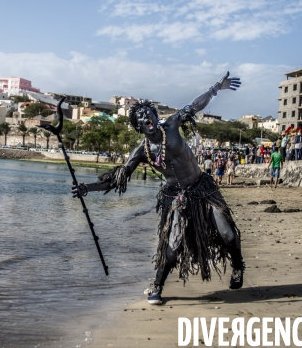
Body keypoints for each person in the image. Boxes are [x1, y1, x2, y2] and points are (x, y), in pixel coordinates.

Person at [71, 73, 245, 305]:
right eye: (141, 116)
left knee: (228, 234)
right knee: (172, 248)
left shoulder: (172, 124)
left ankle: (237, 266)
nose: (146, 116)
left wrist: (216, 88)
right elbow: (117, 179)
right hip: (176, 197)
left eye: (148, 112)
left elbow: (194, 106)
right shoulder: (141, 151)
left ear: (155, 115)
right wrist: (87, 188)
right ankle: (157, 285)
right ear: (137, 125)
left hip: (203, 188)